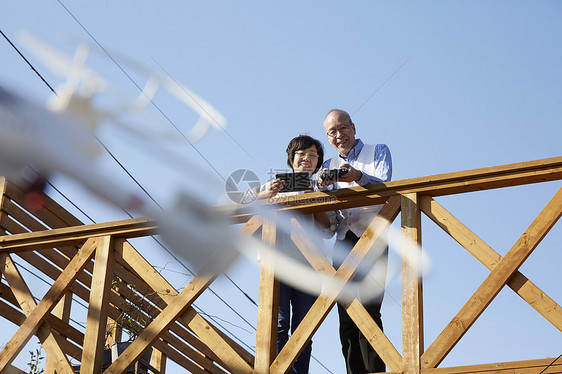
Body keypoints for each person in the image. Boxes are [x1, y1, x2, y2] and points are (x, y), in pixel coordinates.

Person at [318, 109, 392, 374]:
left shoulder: (379, 150)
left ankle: (375, 372)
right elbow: (331, 221)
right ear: (328, 138)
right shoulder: (327, 167)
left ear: (354, 127)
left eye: (343, 128)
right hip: (343, 241)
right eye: (332, 132)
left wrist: (357, 177)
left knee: (370, 310)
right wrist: (322, 193)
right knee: (346, 316)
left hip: (374, 238)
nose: (339, 135)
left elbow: (385, 186)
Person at [257, 134, 329, 374]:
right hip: (277, 262)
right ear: (291, 158)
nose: (307, 159)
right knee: (278, 325)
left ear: (318, 162)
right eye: (302, 154)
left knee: (304, 329)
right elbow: (242, 211)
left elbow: (328, 229)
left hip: (309, 265)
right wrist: (264, 196)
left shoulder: (321, 186)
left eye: (313, 155)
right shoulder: (273, 185)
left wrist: (315, 198)